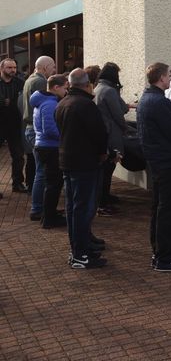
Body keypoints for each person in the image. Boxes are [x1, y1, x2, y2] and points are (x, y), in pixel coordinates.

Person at [138, 62, 171, 272]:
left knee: (160, 208)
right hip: (169, 163)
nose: (170, 79)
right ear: (161, 78)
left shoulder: (146, 99)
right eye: (168, 75)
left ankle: (159, 252)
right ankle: (165, 257)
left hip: (157, 162)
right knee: (169, 210)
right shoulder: (159, 102)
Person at [55, 68, 109, 270]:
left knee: (73, 208)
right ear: (88, 84)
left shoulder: (62, 103)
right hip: (84, 163)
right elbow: (99, 133)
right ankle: (80, 254)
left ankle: (79, 249)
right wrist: (103, 152)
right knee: (82, 209)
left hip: (68, 161)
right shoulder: (86, 105)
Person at [32, 73, 69, 228]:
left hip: (45, 146)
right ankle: (49, 218)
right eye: (65, 88)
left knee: (52, 182)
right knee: (53, 183)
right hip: (49, 147)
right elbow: (49, 130)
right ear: (56, 87)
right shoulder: (49, 103)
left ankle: (49, 213)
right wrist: (66, 136)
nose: (66, 91)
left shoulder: (45, 101)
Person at [92, 62, 129, 215]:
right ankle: (103, 203)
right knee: (107, 170)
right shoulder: (110, 91)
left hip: (102, 133)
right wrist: (125, 129)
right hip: (111, 134)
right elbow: (120, 112)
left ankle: (103, 198)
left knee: (104, 171)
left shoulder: (97, 89)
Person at [24, 56, 57, 215]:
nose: (54, 70)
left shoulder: (30, 79)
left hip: (32, 128)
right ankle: (38, 208)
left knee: (40, 171)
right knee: (42, 172)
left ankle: (39, 206)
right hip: (38, 131)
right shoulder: (40, 82)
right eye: (53, 66)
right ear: (44, 67)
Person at [0, 57, 27, 193]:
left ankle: (18, 183)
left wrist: (8, 102)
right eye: (9, 67)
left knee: (18, 156)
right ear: (2, 69)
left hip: (15, 124)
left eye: (14, 67)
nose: (13, 70)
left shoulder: (20, 83)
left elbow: (22, 101)